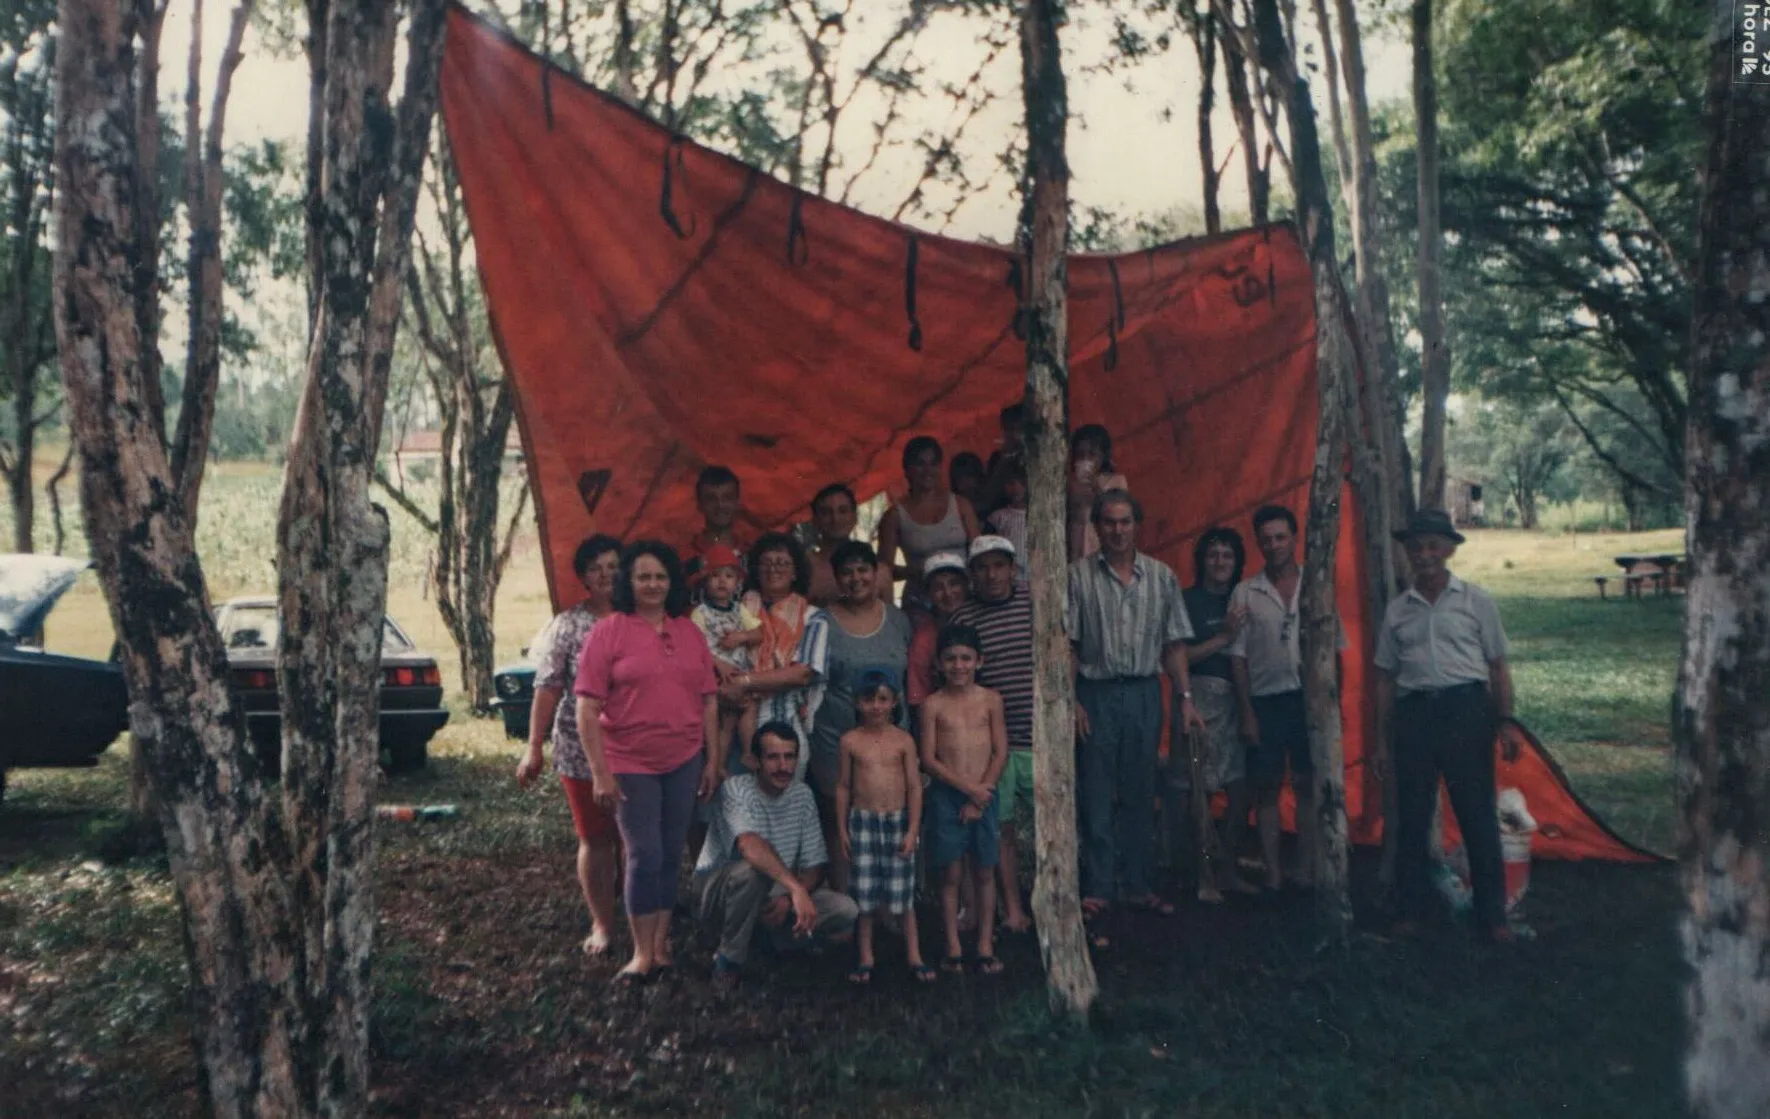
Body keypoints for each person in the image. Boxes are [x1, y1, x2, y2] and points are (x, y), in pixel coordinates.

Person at [573, 541, 723, 982]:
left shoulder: (689, 632)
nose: (653, 585)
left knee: (672, 852)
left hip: (683, 759)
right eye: (643, 577)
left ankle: (661, 944)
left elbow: (709, 701)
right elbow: (586, 708)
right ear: (628, 583)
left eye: (661, 577)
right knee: (643, 853)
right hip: (629, 762)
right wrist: (601, 772)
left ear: (672, 583)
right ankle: (641, 953)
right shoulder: (608, 632)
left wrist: (711, 759)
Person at [1374, 509, 1524, 944]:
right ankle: (1409, 911)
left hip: (1467, 713)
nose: (1424, 555)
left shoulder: (1476, 601)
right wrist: (1383, 741)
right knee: (1413, 816)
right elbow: (1385, 677)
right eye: (1416, 547)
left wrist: (1506, 723)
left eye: (1433, 546)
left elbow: (1497, 667)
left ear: (1449, 549)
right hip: (1415, 716)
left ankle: (1493, 917)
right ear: (1407, 553)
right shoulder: (1398, 611)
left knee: (1477, 814)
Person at [1068, 490, 1205, 920]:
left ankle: (1138, 883)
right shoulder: (1078, 577)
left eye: (1125, 521)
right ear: (1097, 527)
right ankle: (1100, 885)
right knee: (1096, 789)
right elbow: (1066, 644)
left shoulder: (1162, 577)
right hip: (1097, 693)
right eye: (1108, 522)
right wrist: (1070, 700)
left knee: (1141, 790)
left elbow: (1175, 643)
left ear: (1136, 525)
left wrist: (1185, 699)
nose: (1117, 530)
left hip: (1146, 692)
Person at [516, 534, 625, 955]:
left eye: (614, 567)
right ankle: (602, 923)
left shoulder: (642, 618)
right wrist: (533, 747)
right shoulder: (568, 624)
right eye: (596, 568)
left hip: (635, 747)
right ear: (583, 577)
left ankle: (639, 916)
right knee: (595, 837)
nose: (606, 576)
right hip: (580, 749)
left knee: (632, 838)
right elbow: (547, 688)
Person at [1227, 505, 1342, 891]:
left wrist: (1331, 703)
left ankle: (1307, 869)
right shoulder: (1246, 591)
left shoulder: (1317, 584)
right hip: (1265, 702)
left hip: (1307, 701)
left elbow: (1335, 649)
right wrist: (1247, 713)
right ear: (1258, 544)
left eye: (1281, 537)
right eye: (1266, 539)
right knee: (1267, 788)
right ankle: (1274, 874)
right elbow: (1238, 659)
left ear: (1295, 539)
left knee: (1308, 784)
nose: (1274, 545)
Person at [695, 722, 860, 988]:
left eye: (789, 757)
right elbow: (749, 845)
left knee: (846, 909)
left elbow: (815, 866)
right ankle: (729, 959)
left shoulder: (802, 795)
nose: (783, 767)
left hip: (774, 894)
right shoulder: (736, 789)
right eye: (773, 757)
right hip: (721, 892)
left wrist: (787, 899)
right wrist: (795, 888)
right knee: (752, 872)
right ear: (754, 761)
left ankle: (767, 940)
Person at [805, 541, 915, 890]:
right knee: (841, 824)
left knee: (890, 816)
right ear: (836, 578)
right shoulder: (820, 621)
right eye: (847, 572)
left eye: (862, 570)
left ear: (877, 573)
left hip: (892, 740)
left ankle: (887, 908)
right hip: (835, 740)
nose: (856, 578)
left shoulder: (898, 619)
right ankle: (845, 909)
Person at [947, 536, 1036, 935]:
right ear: (972, 575)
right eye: (982, 567)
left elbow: (1064, 651)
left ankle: (1055, 904)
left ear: (1012, 568)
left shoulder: (1035, 601)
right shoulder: (963, 618)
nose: (992, 574)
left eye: (999, 565)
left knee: (1049, 826)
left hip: (1041, 738)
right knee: (1001, 831)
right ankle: (1011, 909)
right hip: (994, 747)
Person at [919, 624, 1008, 975]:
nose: (959, 666)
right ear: (939, 664)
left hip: (985, 793)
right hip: (948, 796)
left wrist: (981, 793)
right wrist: (967, 791)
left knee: (985, 870)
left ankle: (986, 943)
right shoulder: (932, 705)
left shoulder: (991, 700)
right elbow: (928, 758)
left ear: (979, 661)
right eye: (951, 659)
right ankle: (953, 945)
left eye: (966, 658)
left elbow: (1000, 751)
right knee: (951, 873)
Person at [836, 673, 932, 985]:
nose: (875, 706)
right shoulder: (850, 741)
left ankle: (915, 954)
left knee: (903, 894)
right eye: (868, 699)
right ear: (857, 702)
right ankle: (866, 956)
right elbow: (844, 786)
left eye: (882, 699)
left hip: (897, 820)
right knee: (865, 894)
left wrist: (912, 828)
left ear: (894, 701)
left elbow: (915, 787)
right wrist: (842, 829)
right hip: (863, 822)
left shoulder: (903, 740)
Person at [1179, 527, 1258, 900]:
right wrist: (1221, 639)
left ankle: (1228, 869)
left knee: (1241, 790)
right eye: (1213, 555)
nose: (1220, 562)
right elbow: (1177, 658)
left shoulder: (1244, 597)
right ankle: (1204, 876)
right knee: (1201, 794)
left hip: (1241, 700)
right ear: (1202, 561)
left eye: (1227, 556)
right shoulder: (1187, 601)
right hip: (1201, 699)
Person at [729, 533, 830, 780]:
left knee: (786, 805)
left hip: (789, 725)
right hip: (738, 725)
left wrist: (746, 682)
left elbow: (802, 673)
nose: (774, 569)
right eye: (766, 562)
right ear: (755, 570)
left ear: (795, 572)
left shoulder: (813, 617)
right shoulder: (736, 610)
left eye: (782, 563)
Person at [876, 436, 980, 615]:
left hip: (965, 597)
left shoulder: (961, 504)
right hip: (921, 603)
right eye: (919, 464)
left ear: (940, 467)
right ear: (906, 469)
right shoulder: (894, 516)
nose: (927, 471)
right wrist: (918, 571)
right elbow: (884, 571)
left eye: (933, 464)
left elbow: (980, 552)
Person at [690, 543, 763, 766]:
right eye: (715, 576)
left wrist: (741, 638)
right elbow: (695, 646)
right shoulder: (700, 612)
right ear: (705, 581)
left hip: (739, 674)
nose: (722, 581)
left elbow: (759, 633)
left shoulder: (739, 609)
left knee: (744, 710)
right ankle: (717, 764)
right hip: (714, 675)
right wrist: (719, 664)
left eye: (729, 576)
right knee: (721, 719)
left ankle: (748, 751)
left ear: (737, 583)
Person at [905, 551, 970, 712]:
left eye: (954, 583)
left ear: (966, 586)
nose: (948, 593)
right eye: (938, 588)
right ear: (928, 594)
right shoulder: (924, 639)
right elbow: (918, 696)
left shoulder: (983, 622)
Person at [1067, 424, 1130, 562]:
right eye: (1081, 455)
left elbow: (1112, 506)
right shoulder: (1071, 484)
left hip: (1102, 540)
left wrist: (1095, 486)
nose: (1086, 459)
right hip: (1077, 540)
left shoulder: (1116, 481)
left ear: (1103, 456)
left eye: (1091, 454)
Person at [683, 465, 750, 587]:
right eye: (711, 499)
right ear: (699, 505)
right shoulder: (685, 556)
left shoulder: (751, 554)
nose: (720, 505)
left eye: (727, 498)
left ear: (737, 503)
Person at [807, 482, 859, 607]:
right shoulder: (804, 566)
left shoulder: (878, 570)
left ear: (854, 518)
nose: (835, 519)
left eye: (843, 511)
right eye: (826, 512)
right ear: (815, 521)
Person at [983, 459, 1029, 581]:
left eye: (1021, 483)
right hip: (1009, 579)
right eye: (1010, 483)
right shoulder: (997, 517)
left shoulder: (1039, 516)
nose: (1016, 488)